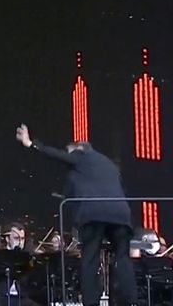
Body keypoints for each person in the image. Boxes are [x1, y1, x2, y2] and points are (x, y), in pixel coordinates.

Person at [15, 124, 138, 306]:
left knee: (90, 259)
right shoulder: (108, 164)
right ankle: (131, 301)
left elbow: (57, 156)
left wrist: (31, 143)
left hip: (94, 214)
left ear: (78, 148)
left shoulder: (81, 156)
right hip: (120, 215)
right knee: (122, 257)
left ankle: (91, 302)